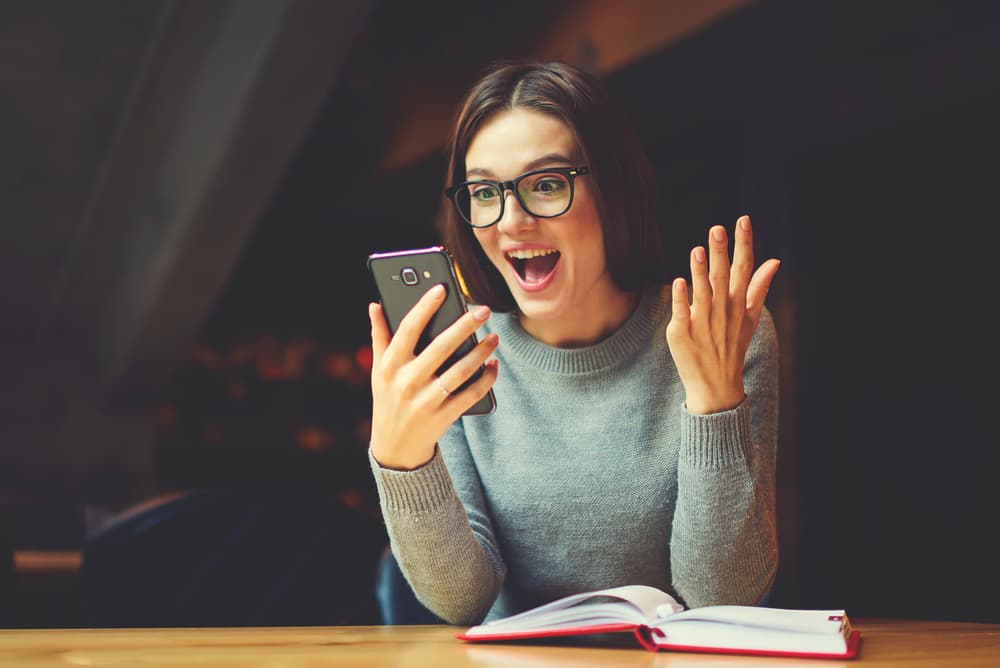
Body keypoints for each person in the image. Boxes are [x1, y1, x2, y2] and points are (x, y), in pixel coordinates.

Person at [366, 60, 781, 625]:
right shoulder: (460, 355)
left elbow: (724, 596)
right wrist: (401, 460)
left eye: (546, 184)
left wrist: (714, 406)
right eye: (485, 192)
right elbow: (463, 600)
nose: (511, 221)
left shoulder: (719, 334)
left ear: (612, 189)